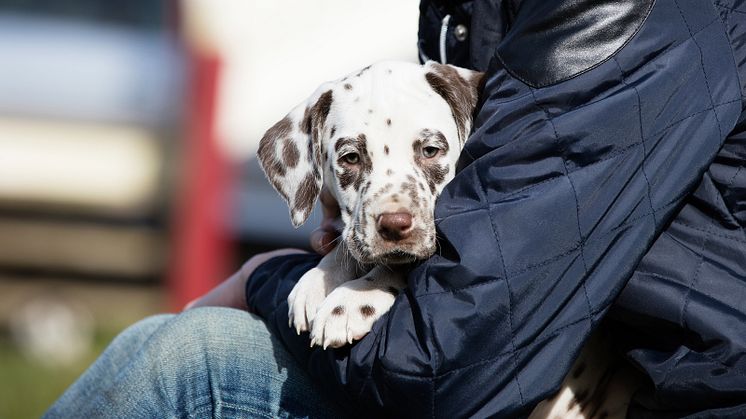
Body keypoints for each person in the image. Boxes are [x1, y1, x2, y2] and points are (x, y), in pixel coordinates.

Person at [48, 0, 746, 417]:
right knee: (152, 346)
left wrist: (267, 279)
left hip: (661, 393)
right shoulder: (467, 12)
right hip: (511, 359)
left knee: (186, 361)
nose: (394, 197)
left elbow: (451, 362)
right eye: (350, 159)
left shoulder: (610, 15)